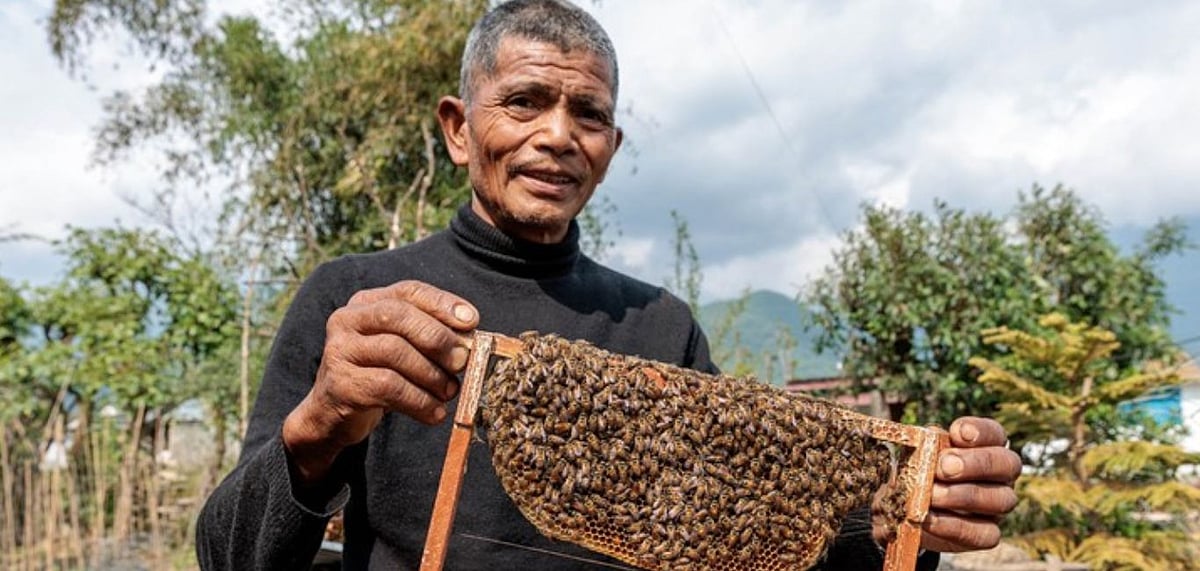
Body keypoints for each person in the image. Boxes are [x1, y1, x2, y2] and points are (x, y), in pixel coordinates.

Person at [196, 1, 1022, 569]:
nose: (557, 135)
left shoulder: (661, 325)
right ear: (458, 128)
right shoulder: (357, 300)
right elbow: (229, 555)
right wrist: (319, 427)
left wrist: (902, 519)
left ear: (612, 145)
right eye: (524, 101)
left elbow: (735, 540)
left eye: (587, 114)